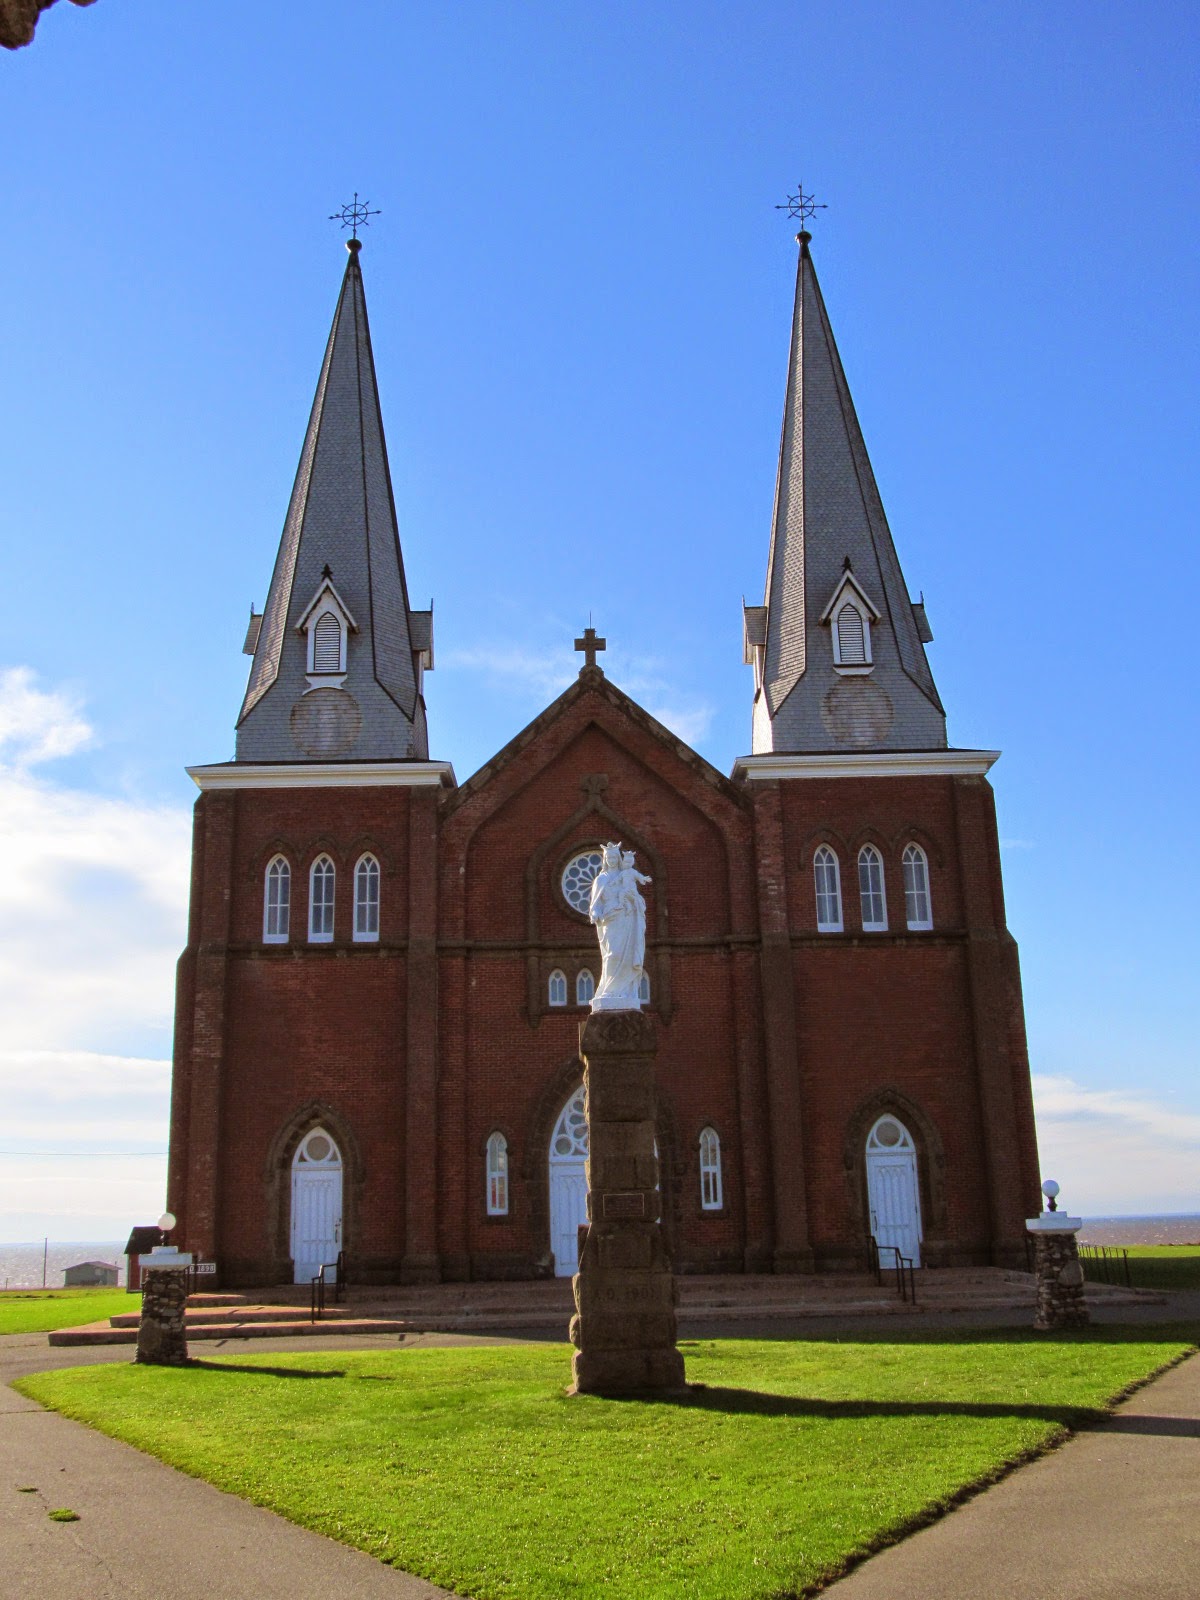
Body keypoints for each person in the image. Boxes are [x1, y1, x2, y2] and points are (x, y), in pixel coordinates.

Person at [588, 842, 651, 1008]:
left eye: (614, 857)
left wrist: (634, 901)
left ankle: (625, 991)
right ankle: (610, 989)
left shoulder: (626, 875)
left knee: (627, 953)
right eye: (609, 858)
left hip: (626, 918)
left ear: (618, 858)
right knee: (613, 953)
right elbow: (595, 903)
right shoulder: (601, 879)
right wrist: (595, 913)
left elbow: (635, 896)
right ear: (605, 859)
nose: (612, 860)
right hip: (609, 918)